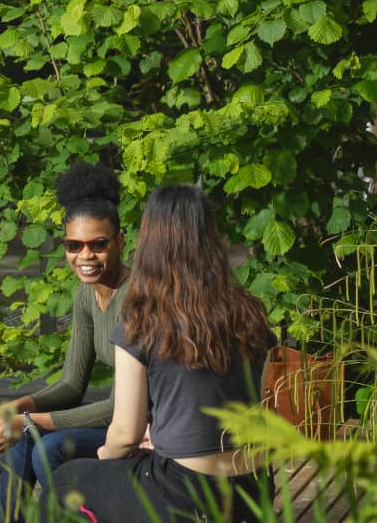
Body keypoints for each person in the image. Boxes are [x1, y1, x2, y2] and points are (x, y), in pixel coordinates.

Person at [51, 185, 274, 521]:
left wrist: (105, 453)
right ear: (210, 238)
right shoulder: (248, 311)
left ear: (149, 241)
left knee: (66, 481)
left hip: (187, 493)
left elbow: (125, 435)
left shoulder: (141, 319)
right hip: (253, 489)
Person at [0, 162, 130, 522]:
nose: (85, 257)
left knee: (50, 444)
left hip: (144, 425)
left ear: (121, 241)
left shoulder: (136, 299)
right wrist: (14, 409)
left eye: (98, 245)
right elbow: (72, 383)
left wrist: (29, 419)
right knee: (27, 434)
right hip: (118, 418)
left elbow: (119, 407)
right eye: (74, 245)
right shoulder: (86, 295)